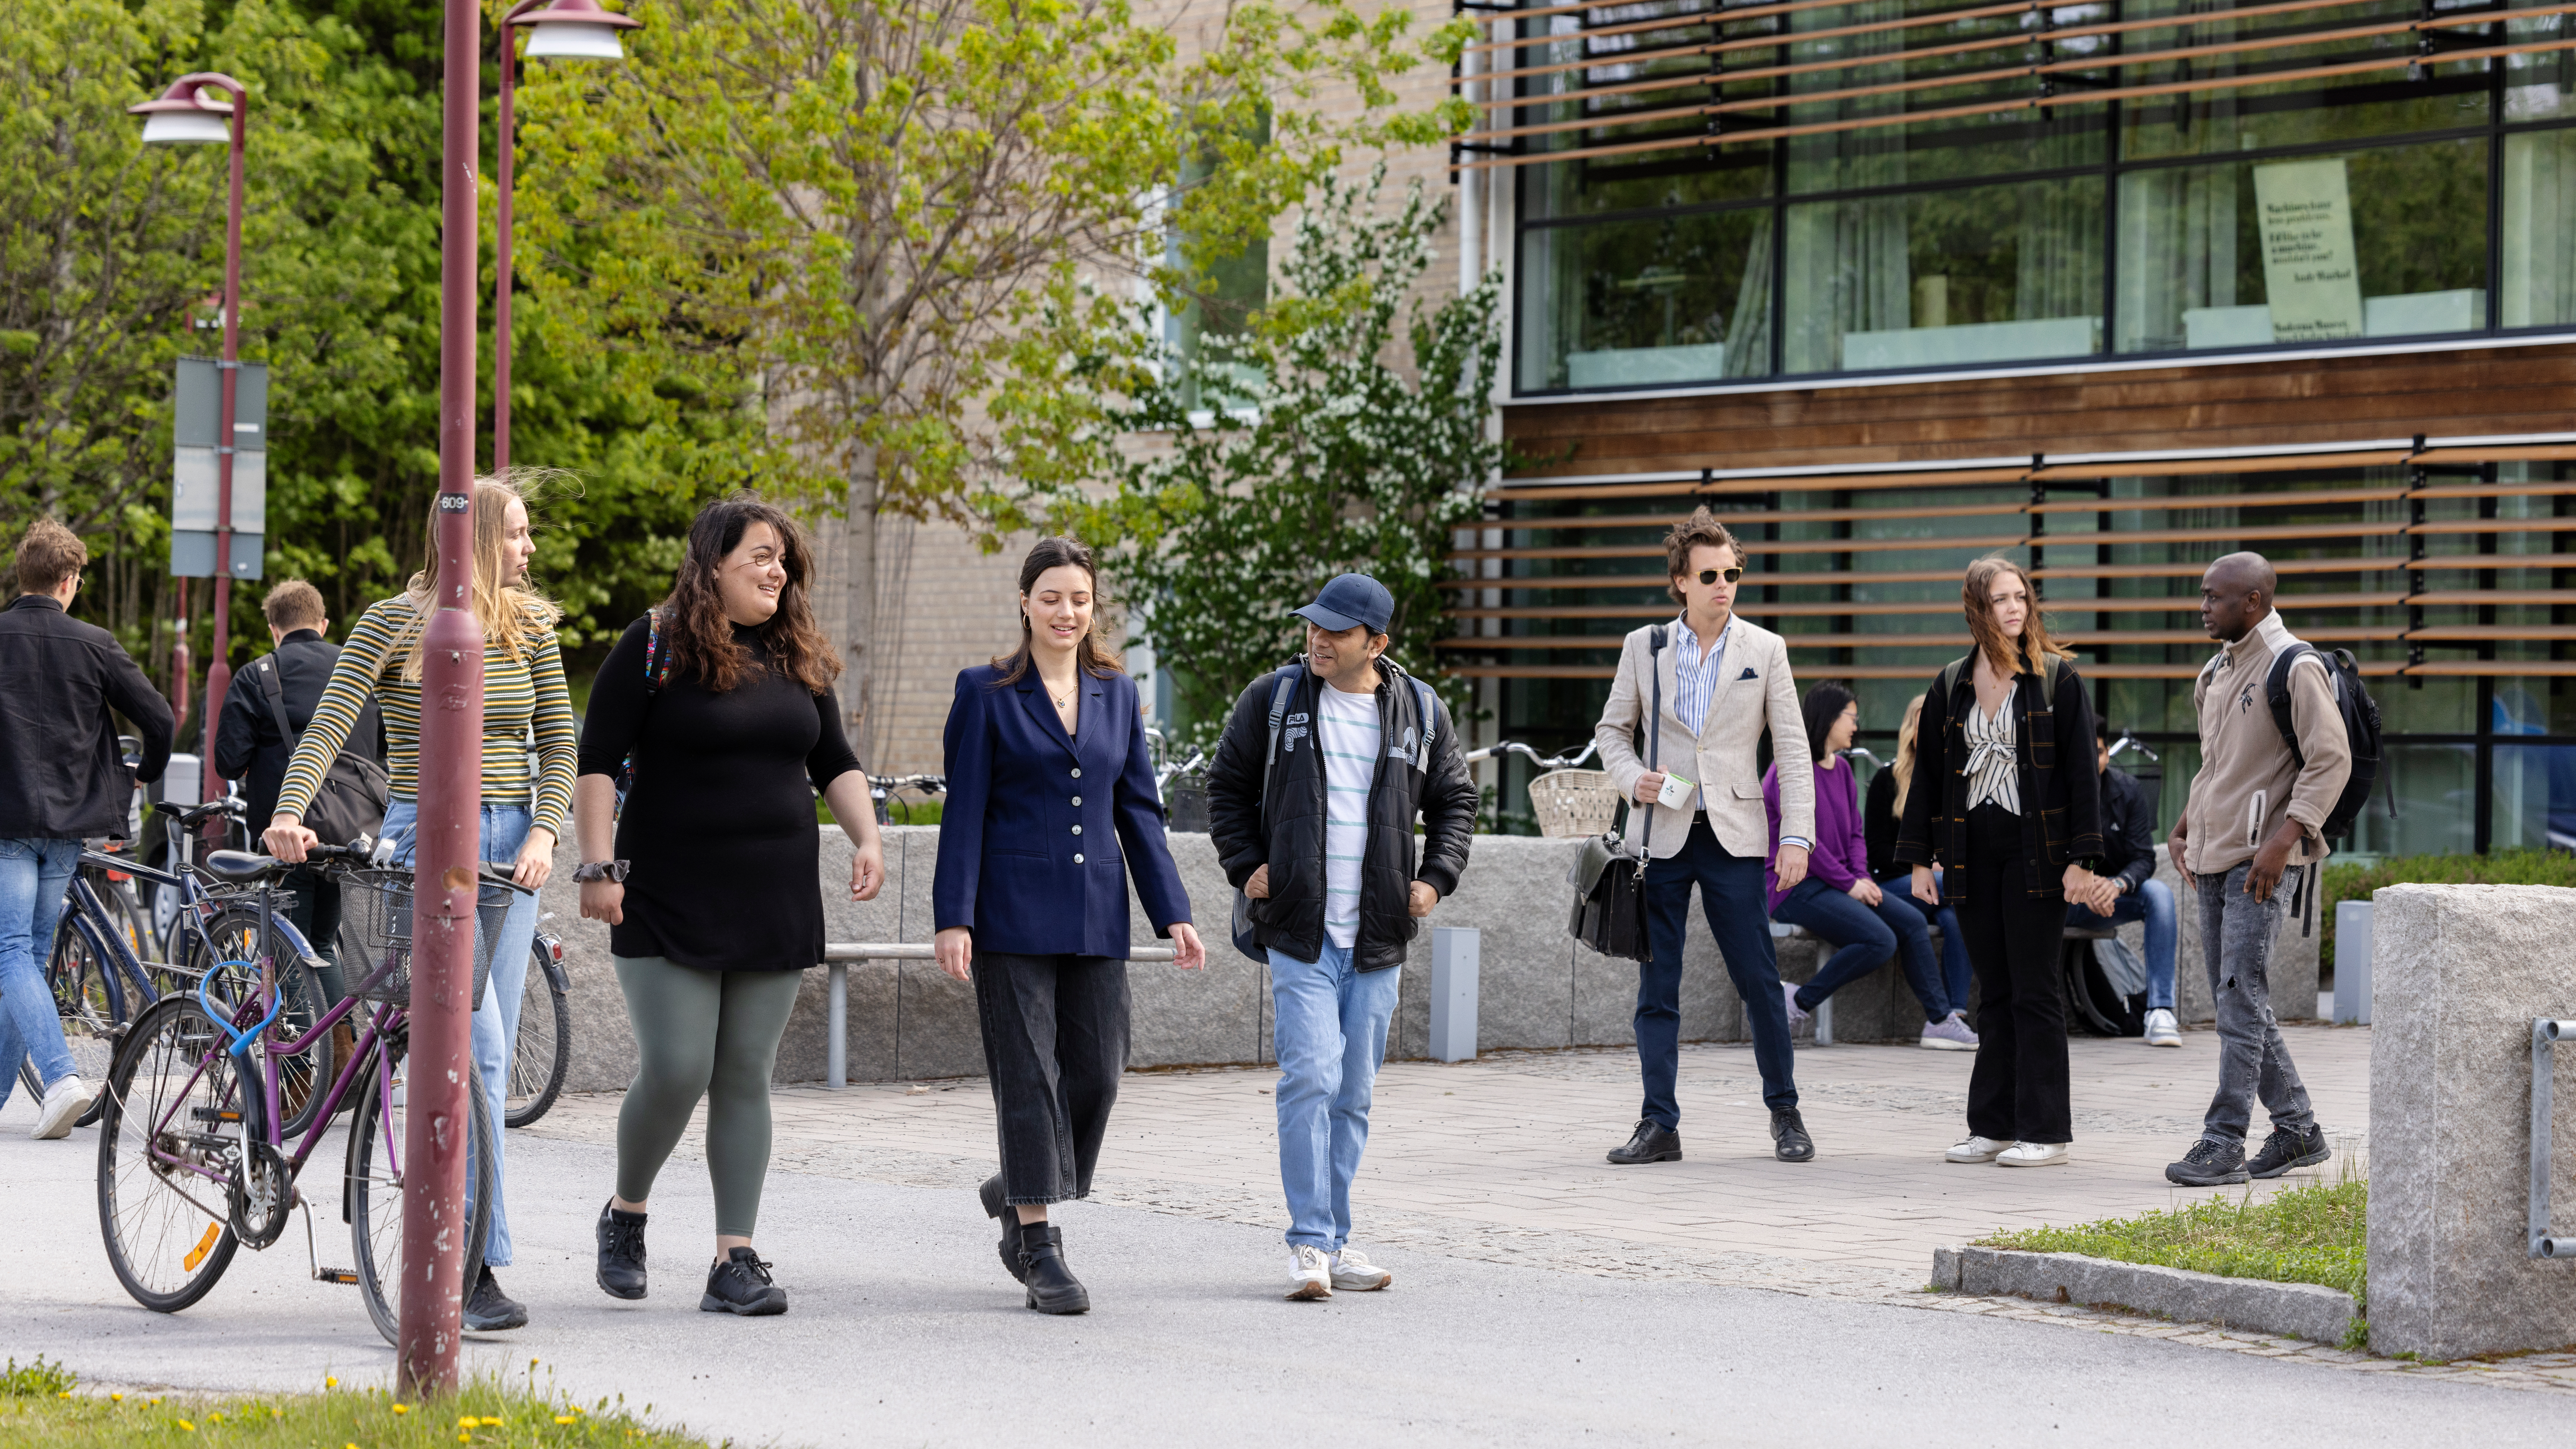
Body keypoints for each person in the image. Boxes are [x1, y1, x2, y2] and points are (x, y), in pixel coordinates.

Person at [264, 472, 575, 1332]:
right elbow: (331, 723)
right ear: (473, 537)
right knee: (471, 1049)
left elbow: (560, 743)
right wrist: (290, 810)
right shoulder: (394, 623)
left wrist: (548, 835)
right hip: (425, 838)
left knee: (490, 1053)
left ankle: (461, 1246)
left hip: (514, 854)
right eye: (516, 533)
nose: (530, 548)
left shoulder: (532, 628)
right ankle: (469, 1261)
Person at [576, 496, 885, 1316]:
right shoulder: (653, 645)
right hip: (666, 891)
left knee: (745, 1072)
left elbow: (836, 763)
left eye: (783, 558)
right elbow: (598, 761)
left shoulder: (796, 656)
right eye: (758, 555)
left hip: (773, 892)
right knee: (678, 1068)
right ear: (712, 564)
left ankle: (734, 1258)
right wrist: (597, 867)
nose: (775, 569)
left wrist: (868, 837)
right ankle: (627, 1212)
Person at [934, 536, 1207, 1315]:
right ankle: (1039, 1243)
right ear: (1025, 602)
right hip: (1009, 914)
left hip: (1096, 911)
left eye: (1080, 599)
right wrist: (954, 915)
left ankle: (1018, 1180)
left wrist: (1174, 912)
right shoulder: (985, 691)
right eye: (1051, 597)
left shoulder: (1117, 693)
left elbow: (1139, 811)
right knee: (1028, 1080)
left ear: (1095, 606)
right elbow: (965, 811)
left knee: (1098, 1074)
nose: (1066, 611)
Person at [1205, 572, 1477, 1302]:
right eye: (1314, 627)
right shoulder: (1276, 698)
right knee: (1310, 1078)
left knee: (1352, 1092)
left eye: (1337, 631)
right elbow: (1224, 787)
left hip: (1379, 935)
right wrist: (1247, 865)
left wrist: (1435, 878)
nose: (1318, 640)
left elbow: (1457, 801)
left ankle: (1335, 1237)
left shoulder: (1419, 710)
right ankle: (1307, 1243)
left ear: (1377, 644)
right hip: (1300, 930)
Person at [1592, 507, 1818, 1168]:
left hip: (1734, 837)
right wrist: (1632, 778)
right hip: (1660, 836)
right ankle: (1658, 1124)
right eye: (1711, 575)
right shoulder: (1644, 647)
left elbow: (1794, 750)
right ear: (1680, 582)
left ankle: (1785, 1113)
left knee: (1757, 979)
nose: (1724, 585)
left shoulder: (1764, 650)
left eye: (1733, 574)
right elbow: (1612, 731)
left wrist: (1797, 835)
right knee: (1656, 989)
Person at [1895, 555, 2116, 1169]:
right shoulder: (1951, 684)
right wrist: (1919, 861)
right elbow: (1930, 780)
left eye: (2020, 596)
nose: (2014, 608)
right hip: (1971, 854)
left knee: (2034, 991)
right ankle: (1991, 1126)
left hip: (2037, 855)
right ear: (1977, 608)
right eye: (2000, 599)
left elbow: (2080, 778)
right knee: (1992, 991)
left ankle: (2046, 1132)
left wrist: (2082, 860)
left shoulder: (2055, 680)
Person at [2163, 552, 2346, 1187]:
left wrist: (2285, 839)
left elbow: (2330, 760)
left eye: (2215, 597)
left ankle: (2222, 1142)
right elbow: (2218, 766)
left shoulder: (2296, 665)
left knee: (2240, 998)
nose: (2204, 607)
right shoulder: (2216, 669)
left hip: (2260, 864)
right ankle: (2298, 1130)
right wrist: (2187, 823)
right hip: (2214, 857)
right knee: (2237, 1000)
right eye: (2203, 596)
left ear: (2255, 602)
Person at [0, 519, 173, 1138]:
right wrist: (142, 775)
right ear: (69, 582)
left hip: (9, 821)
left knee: (12, 952)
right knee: (28, 954)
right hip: (70, 828)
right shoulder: (95, 643)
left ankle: (59, 1074)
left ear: (23, 577)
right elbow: (159, 718)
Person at [1769, 684, 1975, 1050]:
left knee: (1911, 922)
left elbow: (1854, 835)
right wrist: (1850, 884)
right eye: (1851, 718)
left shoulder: (1845, 771)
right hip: (1793, 886)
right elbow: (1803, 842)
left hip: (1836, 884)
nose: (1856, 727)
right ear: (1829, 718)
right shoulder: (1789, 769)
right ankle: (1797, 1001)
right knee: (1879, 940)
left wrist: (1861, 876)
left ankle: (1940, 1021)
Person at [214, 579, 385, 1009]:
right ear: (324, 624)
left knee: (289, 952)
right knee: (323, 944)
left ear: (274, 628)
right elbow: (384, 751)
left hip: (284, 838)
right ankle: (341, 1063)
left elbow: (228, 762)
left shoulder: (258, 675)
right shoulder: (359, 674)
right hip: (350, 833)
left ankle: (306, 1065)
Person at [1863, 693, 1976, 1050]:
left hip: (1940, 891)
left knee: (1957, 916)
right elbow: (1876, 851)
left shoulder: (1959, 782)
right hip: (1892, 888)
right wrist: (1922, 864)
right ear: (1911, 730)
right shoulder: (1886, 779)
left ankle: (1953, 1016)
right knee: (1959, 886)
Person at [2073, 716, 2181, 1048]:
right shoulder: (2050, 792)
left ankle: (2159, 1009)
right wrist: (2087, 883)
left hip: (2111, 896)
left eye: (2099, 752)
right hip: (2061, 899)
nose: (2092, 762)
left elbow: (2143, 857)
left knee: (2159, 894)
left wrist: (2118, 885)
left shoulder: (2128, 790)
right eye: (2083, 753)